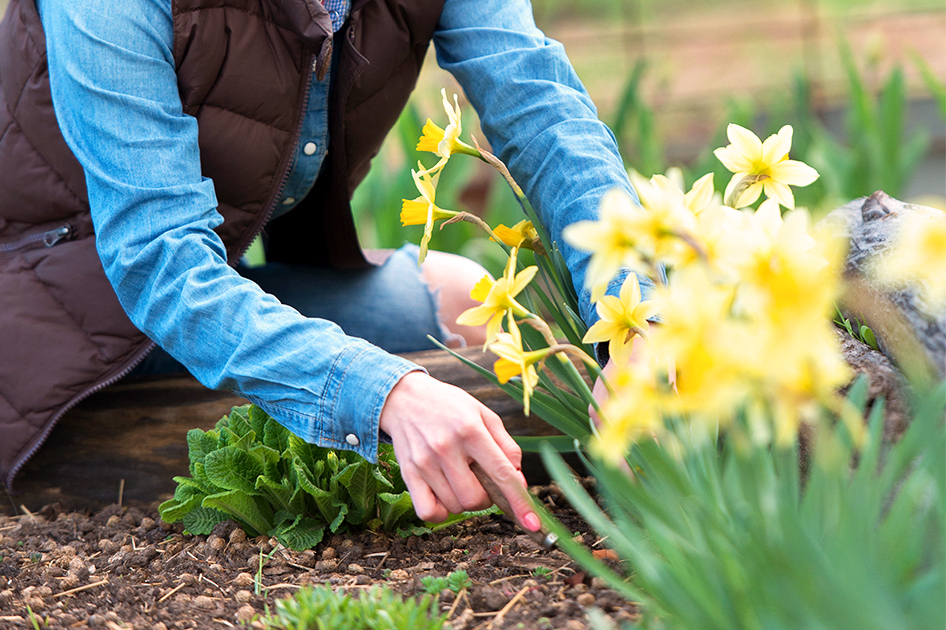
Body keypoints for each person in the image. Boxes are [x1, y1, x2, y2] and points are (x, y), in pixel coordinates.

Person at [0, 0, 646, 529]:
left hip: (192, 274)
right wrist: (382, 391)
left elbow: (544, 115)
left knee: (468, 302)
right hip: (37, 302)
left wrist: (639, 320)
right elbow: (159, 260)